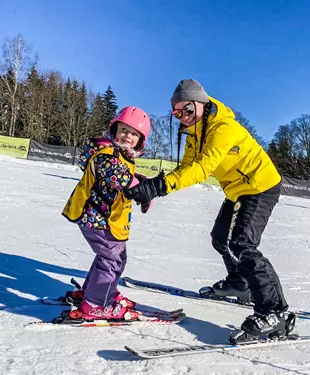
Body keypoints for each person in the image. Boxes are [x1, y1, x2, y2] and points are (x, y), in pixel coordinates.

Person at [124, 79, 292, 342]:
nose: (183, 117)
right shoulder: (194, 133)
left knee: (242, 244)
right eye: (177, 113)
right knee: (220, 238)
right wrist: (155, 184)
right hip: (237, 189)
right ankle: (240, 284)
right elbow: (187, 169)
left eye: (187, 110)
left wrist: (160, 187)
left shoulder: (222, 127)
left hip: (260, 185)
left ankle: (274, 312)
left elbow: (202, 168)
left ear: (201, 103)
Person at [61, 106, 151, 321]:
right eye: (124, 130)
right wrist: (142, 188)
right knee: (113, 259)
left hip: (102, 217)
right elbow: (116, 175)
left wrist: (141, 182)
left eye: (134, 133)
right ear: (114, 129)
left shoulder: (118, 154)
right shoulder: (107, 153)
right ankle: (97, 304)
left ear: (140, 140)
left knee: (109, 256)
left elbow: (123, 173)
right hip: (98, 217)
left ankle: (92, 293)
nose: (128, 136)